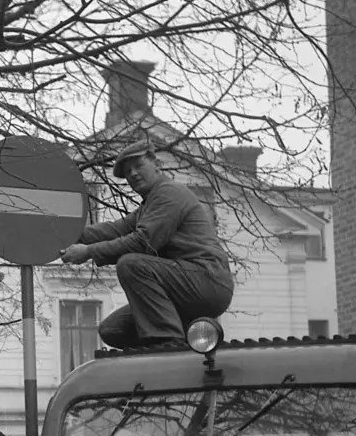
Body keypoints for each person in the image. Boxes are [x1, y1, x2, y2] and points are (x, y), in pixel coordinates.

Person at [58, 140, 234, 350]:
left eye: (138, 166)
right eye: (127, 171)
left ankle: (167, 344)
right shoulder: (148, 207)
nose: (132, 174)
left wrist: (88, 252)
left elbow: (143, 242)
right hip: (182, 286)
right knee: (113, 330)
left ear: (157, 165)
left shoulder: (169, 193)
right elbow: (113, 230)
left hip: (208, 280)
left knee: (131, 264)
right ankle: (185, 340)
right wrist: (63, 235)